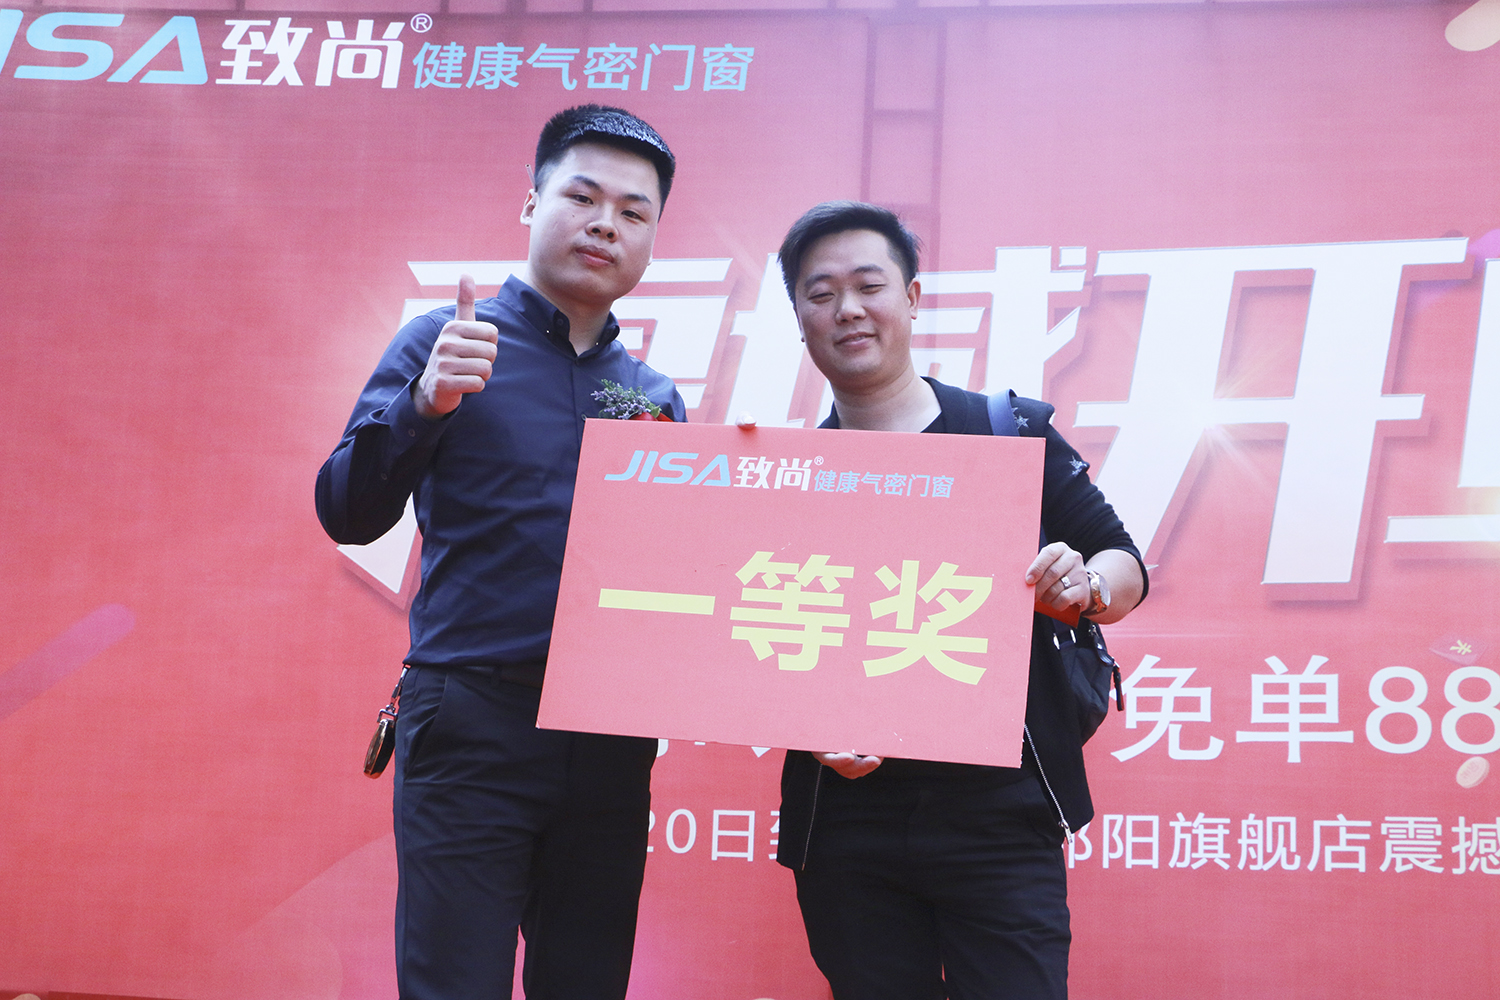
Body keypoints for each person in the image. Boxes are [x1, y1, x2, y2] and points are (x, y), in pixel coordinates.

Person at [314, 105, 685, 1000]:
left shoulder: (654, 397)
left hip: (608, 740)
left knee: (585, 982)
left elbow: (674, 576)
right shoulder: (445, 346)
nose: (605, 224)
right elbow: (347, 511)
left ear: (651, 240)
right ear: (531, 203)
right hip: (472, 717)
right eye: (582, 197)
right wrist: (424, 403)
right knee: (455, 982)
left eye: (633, 212)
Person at [772, 201, 1147, 1000]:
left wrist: (1085, 587)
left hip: (999, 814)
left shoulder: (1006, 431)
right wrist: (802, 723)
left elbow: (1124, 562)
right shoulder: (786, 473)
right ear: (799, 318)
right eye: (821, 293)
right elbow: (754, 641)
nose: (847, 309)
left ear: (911, 298)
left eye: (869, 285)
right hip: (847, 825)